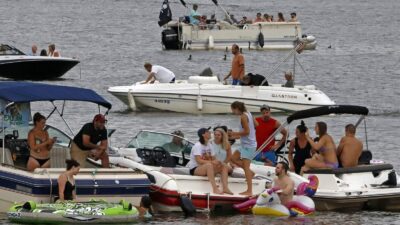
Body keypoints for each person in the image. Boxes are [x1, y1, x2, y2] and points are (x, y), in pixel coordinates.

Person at [186, 127, 233, 195]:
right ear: (203, 135)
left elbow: (214, 159)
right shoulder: (198, 145)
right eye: (208, 132)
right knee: (209, 165)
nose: (210, 133)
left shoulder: (209, 145)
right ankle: (215, 189)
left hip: (206, 167)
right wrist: (212, 162)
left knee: (224, 166)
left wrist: (218, 162)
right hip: (195, 169)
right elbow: (199, 160)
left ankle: (225, 188)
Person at [229, 101, 257, 196]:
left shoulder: (243, 117)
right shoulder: (249, 113)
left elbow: (247, 132)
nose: (233, 112)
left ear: (237, 108)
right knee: (232, 158)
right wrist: (239, 136)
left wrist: (234, 134)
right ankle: (250, 173)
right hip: (245, 144)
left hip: (249, 146)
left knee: (246, 167)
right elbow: (256, 125)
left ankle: (249, 191)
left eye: (233, 110)